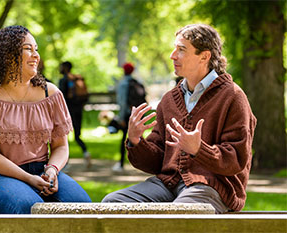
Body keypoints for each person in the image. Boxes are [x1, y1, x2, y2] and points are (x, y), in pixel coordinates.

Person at [102, 24, 257, 214]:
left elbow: (237, 159)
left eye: (181, 50)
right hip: (167, 185)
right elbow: (156, 161)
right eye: (175, 48)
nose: (172, 55)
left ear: (204, 56)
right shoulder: (169, 100)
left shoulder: (233, 96)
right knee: (112, 203)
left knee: (179, 214)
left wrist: (199, 150)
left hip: (213, 187)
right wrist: (136, 141)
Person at [0, 25, 91, 214]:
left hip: (42, 170)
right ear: (7, 55)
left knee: (83, 207)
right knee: (29, 207)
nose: (36, 55)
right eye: (28, 49)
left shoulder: (50, 93)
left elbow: (61, 146)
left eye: (36, 49)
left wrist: (52, 170)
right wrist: (28, 178)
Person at [59, 61, 91, 168]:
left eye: (61, 67)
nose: (60, 68)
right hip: (78, 110)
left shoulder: (63, 80)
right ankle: (86, 153)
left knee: (63, 137)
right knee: (77, 136)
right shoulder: (76, 79)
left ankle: (65, 162)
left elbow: (60, 98)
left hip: (68, 111)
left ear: (65, 68)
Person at [112, 63, 135, 172]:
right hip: (135, 114)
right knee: (136, 139)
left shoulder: (123, 84)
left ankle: (121, 164)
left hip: (126, 114)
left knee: (124, 139)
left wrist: (121, 118)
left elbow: (122, 102)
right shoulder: (135, 82)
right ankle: (138, 163)